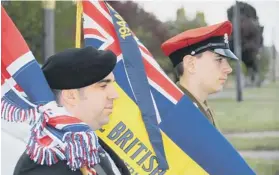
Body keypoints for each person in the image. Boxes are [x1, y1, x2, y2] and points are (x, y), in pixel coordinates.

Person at [14, 46, 130, 175]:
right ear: (71, 96)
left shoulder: (86, 144)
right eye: (103, 86)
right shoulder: (48, 161)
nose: (114, 95)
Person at [161, 21, 237, 127]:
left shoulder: (195, 109)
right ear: (191, 64)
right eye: (219, 59)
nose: (229, 69)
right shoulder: (181, 118)